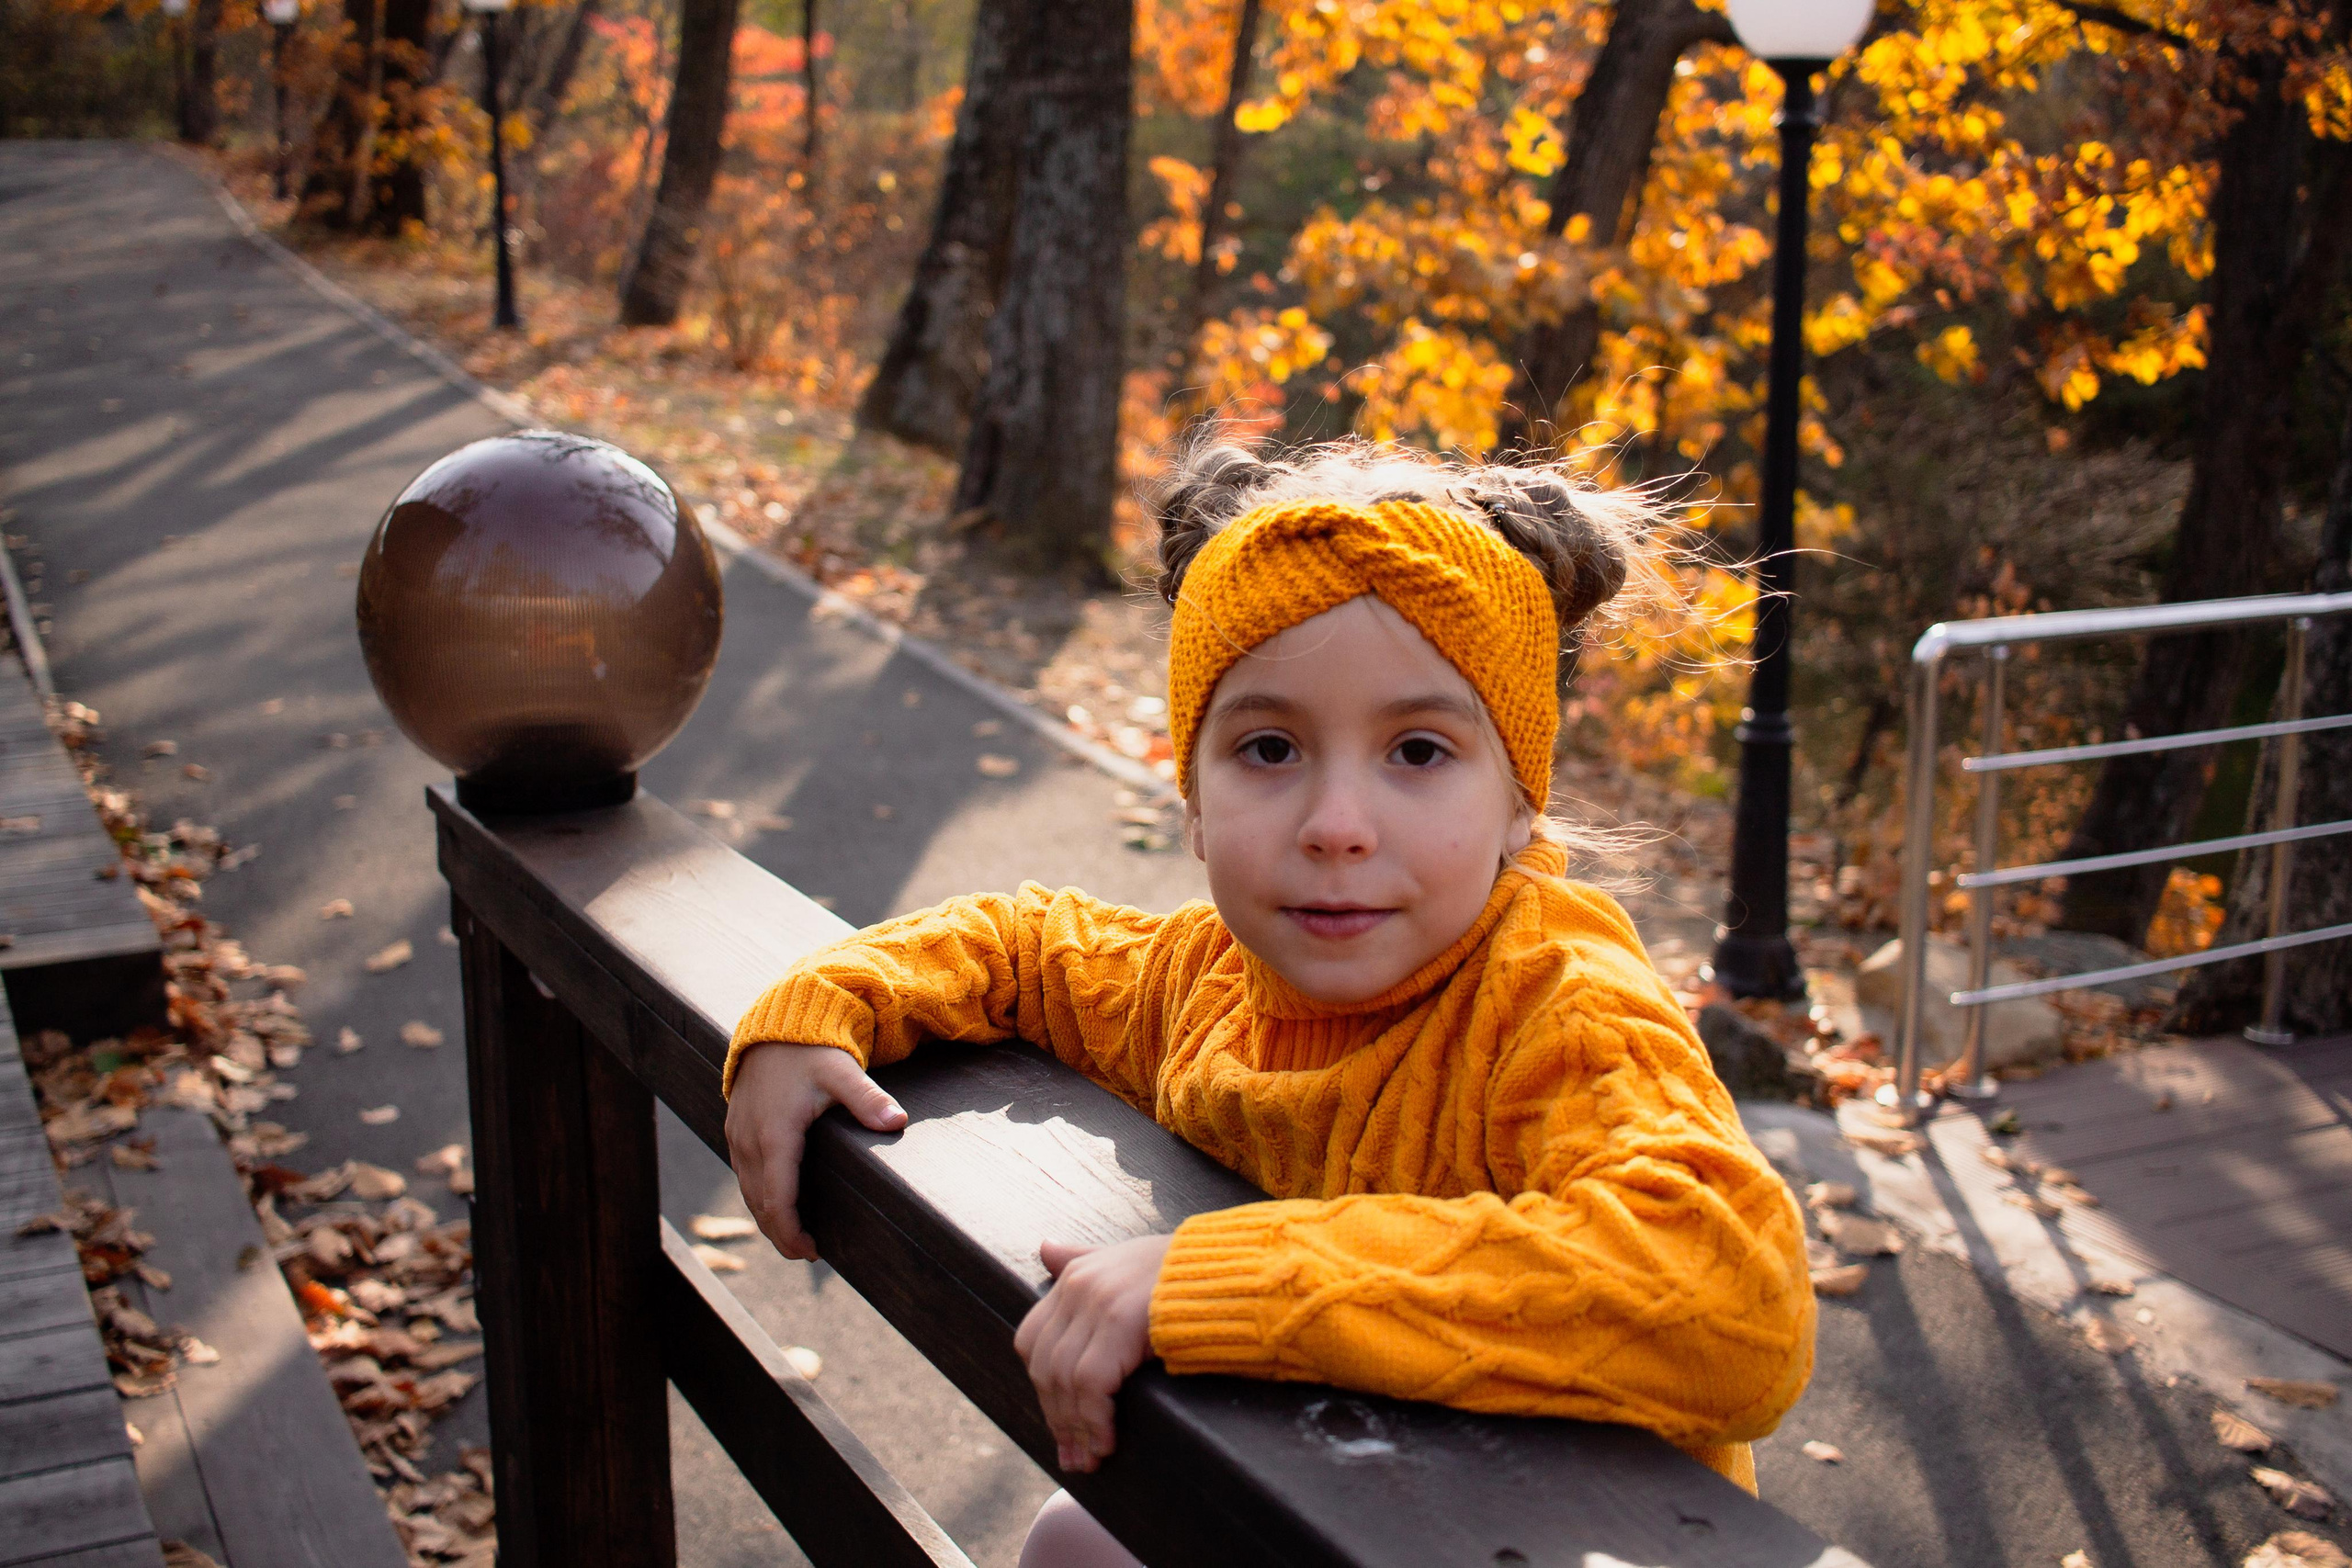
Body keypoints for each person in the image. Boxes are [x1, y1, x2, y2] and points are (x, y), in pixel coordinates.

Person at [722, 438, 1815, 1568]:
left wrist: (1224, 1281)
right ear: (1193, 804)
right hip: (1333, 1500)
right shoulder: (1204, 983)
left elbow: (1733, 1295)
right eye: (1270, 747)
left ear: (1518, 806)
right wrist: (822, 1001)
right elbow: (1023, 947)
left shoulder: (1556, 998)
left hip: (1579, 1537)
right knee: (1074, 1546)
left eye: (1420, 750)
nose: (1336, 821)